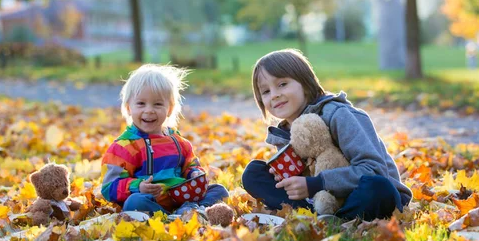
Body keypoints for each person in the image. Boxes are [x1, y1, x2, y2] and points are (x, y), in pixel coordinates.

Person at [242, 49, 412, 221]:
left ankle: (336, 219)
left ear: (305, 84)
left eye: (282, 84)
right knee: (253, 173)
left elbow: (375, 171)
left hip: (369, 196)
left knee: (378, 187)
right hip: (322, 200)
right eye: (265, 91)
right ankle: (312, 216)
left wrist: (316, 184)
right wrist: (290, 181)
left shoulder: (339, 115)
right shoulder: (284, 134)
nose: (275, 95)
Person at [101, 64, 228, 215]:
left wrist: (194, 173)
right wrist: (138, 186)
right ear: (129, 108)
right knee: (134, 202)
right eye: (141, 103)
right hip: (152, 203)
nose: (149, 110)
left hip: (183, 198)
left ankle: (188, 212)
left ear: (169, 109)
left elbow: (191, 165)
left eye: (158, 104)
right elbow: (109, 187)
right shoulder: (124, 147)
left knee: (219, 191)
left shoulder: (179, 142)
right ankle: (177, 216)